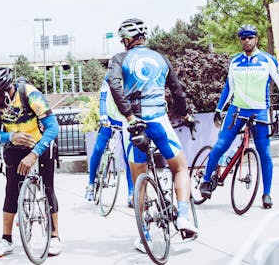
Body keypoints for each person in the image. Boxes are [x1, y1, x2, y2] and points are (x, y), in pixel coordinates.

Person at [107, 18, 198, 252]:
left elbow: (114, 85)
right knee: (180, 168)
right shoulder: (160, 59)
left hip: (135, 124)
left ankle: (145, 233)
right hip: (159, 121)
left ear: (127, 39)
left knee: (140, 180)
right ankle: (184, 216)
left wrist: (128, 116)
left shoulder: (119, 59)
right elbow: (177, 91)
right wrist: (185, 114)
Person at [199, 24, 279, 208]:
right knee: (220, 145)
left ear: (256, 38)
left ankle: (266, 194)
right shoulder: (235, 61)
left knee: (264, 153)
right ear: (240, 40)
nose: (247, 40)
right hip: (237, 110)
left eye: (250, 37)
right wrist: (219, 109)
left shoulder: (268, 60)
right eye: (243, 38)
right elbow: (229, 88)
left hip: (260, 111)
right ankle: (206, 180)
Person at [0, 67, 62, 258]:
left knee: (48, 189)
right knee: (11, 191)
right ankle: (6, 239)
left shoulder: (30, 95)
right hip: (15, 146)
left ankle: (55, 236)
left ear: (8, 90)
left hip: (41, 143)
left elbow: (53, 127)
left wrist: (34, 153)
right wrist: (11, 136)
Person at [85, 75, 134, 207]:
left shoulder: (132, 76)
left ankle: (131, 194)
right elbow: (103, 97)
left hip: (126, 119)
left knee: (128, 156)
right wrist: (103, 116)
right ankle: (90, 183)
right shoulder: (109, 77)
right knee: (98, 148)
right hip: (110, 118)